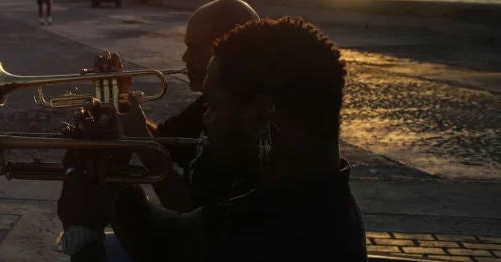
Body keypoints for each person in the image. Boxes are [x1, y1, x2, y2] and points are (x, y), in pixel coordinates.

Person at [58, 17, 367, 261]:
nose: (205, 121)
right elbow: (168, 241)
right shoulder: (291, 193)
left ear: (261, 112)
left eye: (213, 107)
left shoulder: (284, 240)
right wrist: (115, 176)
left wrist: (84, 233)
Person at [91, 0, 260, 213]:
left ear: (224, 50)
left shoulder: (245, 125)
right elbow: (164, 140)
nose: (184, 57)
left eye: (193, 48)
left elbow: (191, 211)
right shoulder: (207, 105)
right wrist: (122, 99)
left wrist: (141, 141)